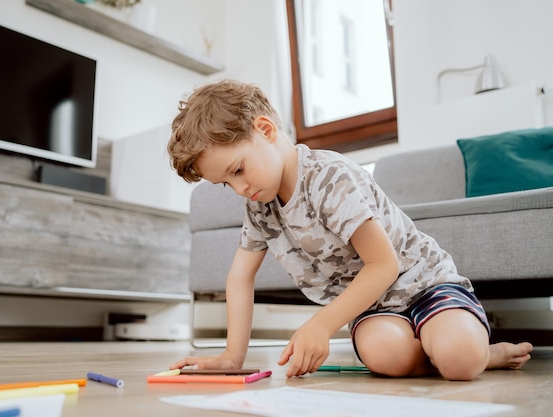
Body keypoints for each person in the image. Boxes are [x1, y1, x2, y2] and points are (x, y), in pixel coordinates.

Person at [166, 79, 533, 380]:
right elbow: (239, 276)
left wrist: (320, 326)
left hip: (425, 285)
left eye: (238, 170)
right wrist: (233, 356)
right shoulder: (259, 206)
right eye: (226, 183)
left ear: (264, 130)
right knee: (386, 357)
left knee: (461, 361)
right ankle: (440, 349)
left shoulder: (329, 177)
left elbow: (384, 265)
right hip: (376, 309)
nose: (240, 188)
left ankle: (478, 351)